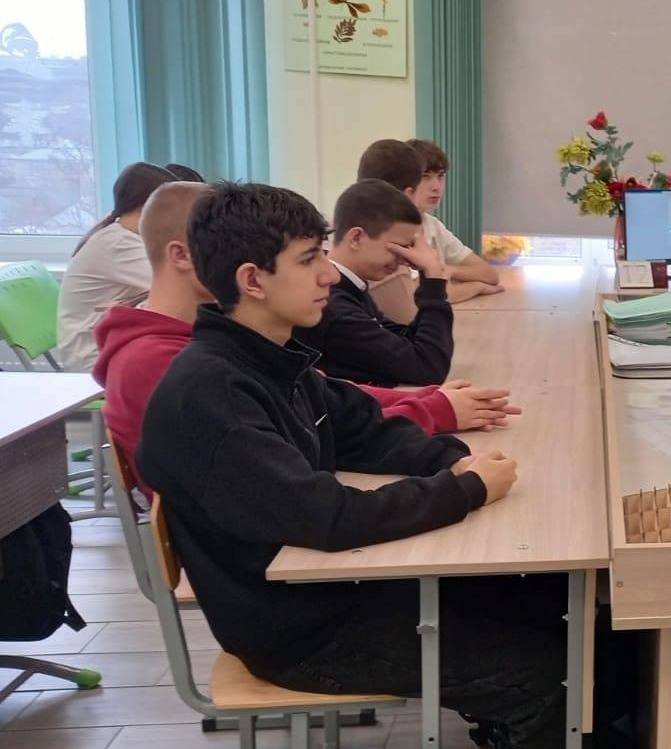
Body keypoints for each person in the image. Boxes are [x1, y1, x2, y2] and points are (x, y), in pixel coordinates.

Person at [136, 182, 646, 749]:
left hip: (333, 587)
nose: (326, 276)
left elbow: (365, 431)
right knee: (539, 670)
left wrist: (455, 460)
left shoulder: (272, 358)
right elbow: (328, 517)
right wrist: (461, 492)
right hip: (296, 626)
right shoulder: (212, 394)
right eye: (308, 260)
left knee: (551, 600)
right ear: (253, 280)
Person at [93, 180, 518, 499]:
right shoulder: (168, 364)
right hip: (264, 551)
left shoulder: (226, 343)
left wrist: (431, 401)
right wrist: (433, 414)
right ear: (183, 256)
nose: (326, 274)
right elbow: (292, 476)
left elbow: (324, 398)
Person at [294, 179, 455, 386]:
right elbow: (428, 367)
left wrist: (427, 276)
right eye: (399, 247)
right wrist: (433, 278)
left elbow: (407, 342)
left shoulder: (352, 288)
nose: (405, 259)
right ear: (356, 238)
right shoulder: (333, 306)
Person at [56, 162, 173, 370]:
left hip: (105, 342)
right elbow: (176, 285)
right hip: (91, 355)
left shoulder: (119, 232)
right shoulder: (119, 243)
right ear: (147, 207)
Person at [356, 139, 501, 304]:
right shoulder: (386, 230)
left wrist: (448, 270)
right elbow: (416, 297)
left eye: (441, 176)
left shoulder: (432, 224)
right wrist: (476, 287)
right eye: (425, 176)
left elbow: (489, 274)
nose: (436, 187)